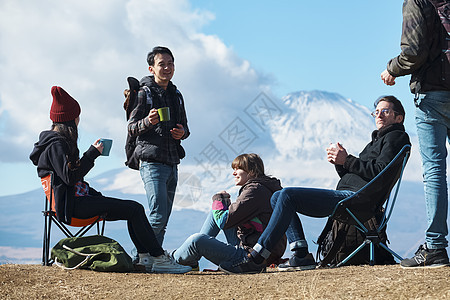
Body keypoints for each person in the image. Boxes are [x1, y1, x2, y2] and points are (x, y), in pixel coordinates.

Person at [219, 96, 411, 274]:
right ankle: (300, 252)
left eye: (385, 111)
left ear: (399, 117)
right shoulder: (376, 141)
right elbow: (359, 173)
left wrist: (347, 160)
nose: (378, 114)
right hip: (350, 195)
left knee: (286, 196)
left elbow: (380, 171)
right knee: (278, 196)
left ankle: (257, 256)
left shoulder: (396, 137)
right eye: (376, 111)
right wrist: (340, 163)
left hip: (359, 199)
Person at [30, 86, 191, 274]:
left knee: (133, 209)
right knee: (135, 209)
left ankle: (146, 258)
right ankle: (157, 257)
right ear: (70, 120)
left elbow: (70, 177)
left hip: (76, 202)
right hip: (74, 206)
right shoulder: (56, 144)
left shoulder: (52, 143)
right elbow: (70, 177)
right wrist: (92, 154)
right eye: (77, 117)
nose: (78, 121)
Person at [381, 0, 449, 268]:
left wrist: (392, 69)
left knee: (434, 171)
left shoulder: (417, 2)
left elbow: (414, 52)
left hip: (431, 95)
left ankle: (435, 248)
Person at [172, 153, 286, 271]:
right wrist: (223, 203)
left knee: (197, 241)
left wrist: (218, 198)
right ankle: (189, 259)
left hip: (251, 256)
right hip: (264, 250)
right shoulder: (264, 188)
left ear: (251, 171)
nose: (234, 173)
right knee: (218, 211)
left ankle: (172, 260)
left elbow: (223, 222)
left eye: (238, 169)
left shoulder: (254, 191)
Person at [128, 46, 189, 247]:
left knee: (163, 218)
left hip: (172, 162)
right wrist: (148, 121)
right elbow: (131, 128)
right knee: (158, 214)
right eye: (161, 64)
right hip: (152, 163)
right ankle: (143, 257)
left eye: (170, 63)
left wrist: (182, 133)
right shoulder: (144, 94)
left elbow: (186, 127)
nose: (167, 68)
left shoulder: (177, 94)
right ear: (151, 68)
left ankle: (153, 259)